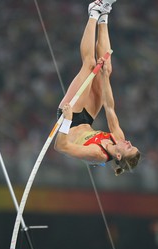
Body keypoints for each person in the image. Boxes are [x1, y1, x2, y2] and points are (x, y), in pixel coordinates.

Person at [54, 0, 140, 176]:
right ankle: (104, 15)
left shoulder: (97, 154)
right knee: (105, 68)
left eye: (128, 147)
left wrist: (68, 119)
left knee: (89, 64)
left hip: (69, 118)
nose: (129, 142)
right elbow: (109, 107)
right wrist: (104, 77)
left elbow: (60, 146)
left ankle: (93, 13)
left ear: (117, 155)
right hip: (87, 118)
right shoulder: (118, 138)